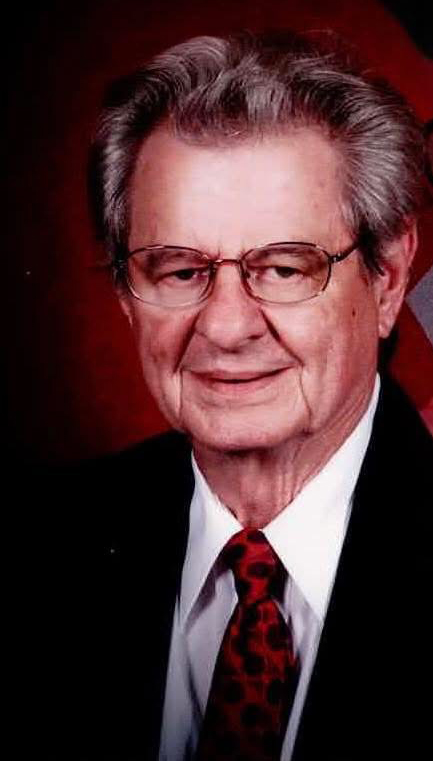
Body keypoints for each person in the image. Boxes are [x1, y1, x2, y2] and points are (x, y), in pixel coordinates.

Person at [29, 31, 431, 761]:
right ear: (125, 291)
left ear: (387, 279)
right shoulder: (40, 544)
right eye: (179, 271)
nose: (225, 325)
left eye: (283, 268)